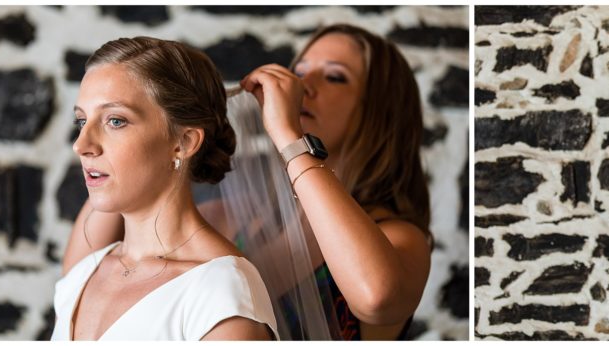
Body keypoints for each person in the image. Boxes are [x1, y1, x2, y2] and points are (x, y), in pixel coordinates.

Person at [63, 24, 432, 340]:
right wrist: (131, 125)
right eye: (300, 70)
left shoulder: (398, 237)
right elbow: (78, 277)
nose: (305, 85)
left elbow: (376, 298)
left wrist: (288, 135)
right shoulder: (232, 218)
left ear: (379, 108)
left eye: (334, 76)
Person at [53, 37, 277, 340]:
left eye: (115, 121)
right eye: (82, 121)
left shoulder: (219, 292)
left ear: (183, 143)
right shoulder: (83, 275)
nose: (82, 145)